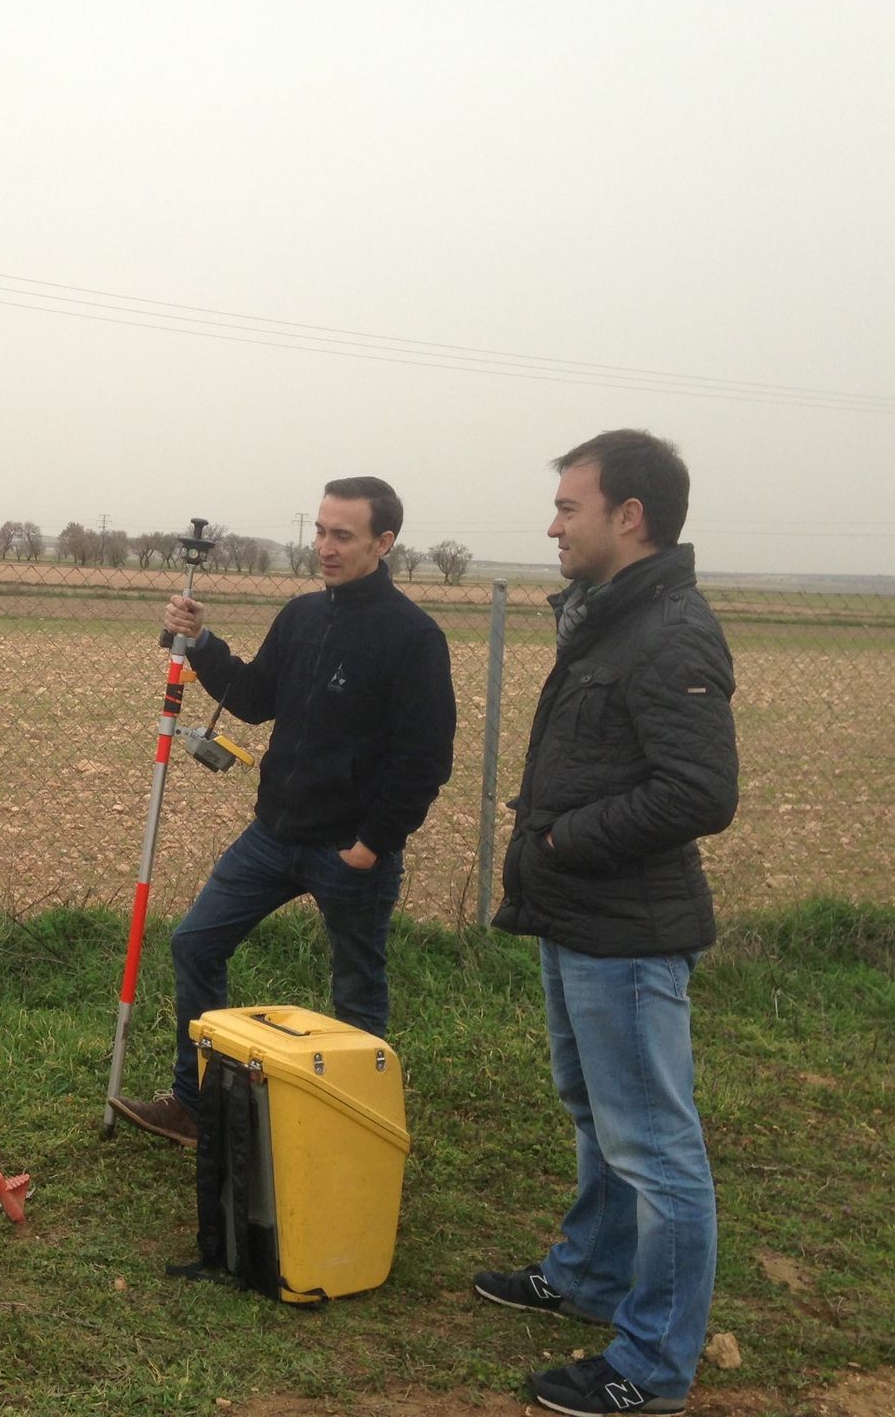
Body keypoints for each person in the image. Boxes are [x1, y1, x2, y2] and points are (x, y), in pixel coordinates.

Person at [476, 431, 739, 1416]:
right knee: (596, 1114)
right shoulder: (609, 622)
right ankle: (589, 1276)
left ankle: (650, 1367)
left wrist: (562, 843)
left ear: (629, 517)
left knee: (655, 1148)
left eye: (569, 508)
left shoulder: (670, 631)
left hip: (624, 931)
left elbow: (700, 792)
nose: (553, 524)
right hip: (577, 917)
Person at [110, 476, 456, 1147]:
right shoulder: (302, 615)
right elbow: (254, 696)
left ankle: (357, 1131)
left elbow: (424, 758)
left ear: (383, 543)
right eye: (321, 531)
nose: (324, 547)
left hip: (349, 850)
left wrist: (373, 843)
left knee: (356, 989)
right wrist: (202, 643)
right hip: (274, 835)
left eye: (343, 535)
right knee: (195, 943)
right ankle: (197, 1104)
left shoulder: (413, 637)